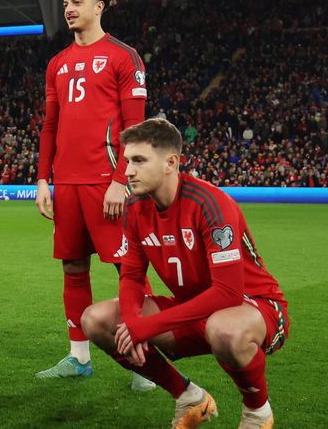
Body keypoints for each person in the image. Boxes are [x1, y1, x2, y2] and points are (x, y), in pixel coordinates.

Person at [82, 118, 288, 429]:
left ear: (171, 163)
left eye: (139, 160)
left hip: (254, 308)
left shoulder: (210, 204)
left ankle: (257, 412)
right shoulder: (136, 209)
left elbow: (228, 293)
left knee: (225, 330)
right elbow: (132, 276)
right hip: (191, 311)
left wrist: (148, 326)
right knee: (96, 320)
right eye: (127, 161)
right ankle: (189, 396)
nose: (128, 171)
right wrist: (134, 321)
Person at [35, 0, 152, 390]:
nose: (69, 8)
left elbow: (135, 126)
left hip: (108, 182)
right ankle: (79, 356)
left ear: (99, 6)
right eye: (66, 2)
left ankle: (144, 355)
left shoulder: (124, 56)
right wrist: (43, 181)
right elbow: (50, 126)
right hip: (65, 183)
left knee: (128, 267)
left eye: (77, 1)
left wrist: (123, 179)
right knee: (72, 267)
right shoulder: (57, 64)